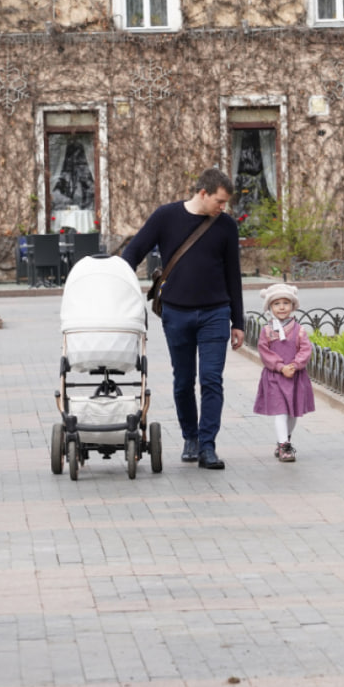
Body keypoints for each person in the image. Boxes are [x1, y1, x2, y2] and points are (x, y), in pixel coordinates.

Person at [121, 168, 244, 470]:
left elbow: (233, 274)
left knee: (212, 380)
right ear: (203, 193)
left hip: (216, 313)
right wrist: (117, 282)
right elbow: (134, 251)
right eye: (219, 201)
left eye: (225, 203)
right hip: (176, 313)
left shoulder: (226, 226)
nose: (222, 208)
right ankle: (190, 437)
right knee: (183, 381)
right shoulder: (166, 216)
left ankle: (208, 446)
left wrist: (238, 321)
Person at [253, 284, 315, 463]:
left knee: (293, 413)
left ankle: (285, 437)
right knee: (280, 411)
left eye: (286, 303)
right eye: (277, 303)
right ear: (270, 307)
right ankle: (283, 446)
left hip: (295, 377)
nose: (281, 307)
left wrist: (295, 365)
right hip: (275, 377)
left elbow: (305, 350)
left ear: (293, 306)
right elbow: (264, 352)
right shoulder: (267, 330)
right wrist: (280, 367)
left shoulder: (299, 330)